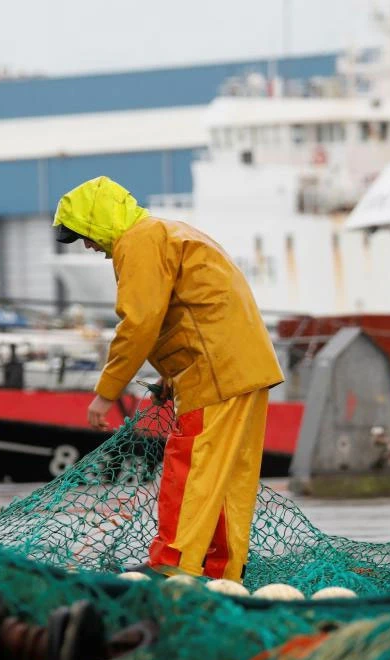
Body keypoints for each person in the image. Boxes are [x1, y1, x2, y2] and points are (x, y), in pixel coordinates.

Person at [53, 176, 284, 583]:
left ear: (99, 220)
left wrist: (106, 393)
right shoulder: (168, 231)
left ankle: (173, 563)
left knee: (191, 465)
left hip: (215, 373)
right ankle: (223, 570)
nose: (87, 246)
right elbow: (190, 313)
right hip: (243, 368)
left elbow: (140, 323)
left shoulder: (139, 240)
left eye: (83, 235)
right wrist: (169, 378)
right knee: (228, 476)